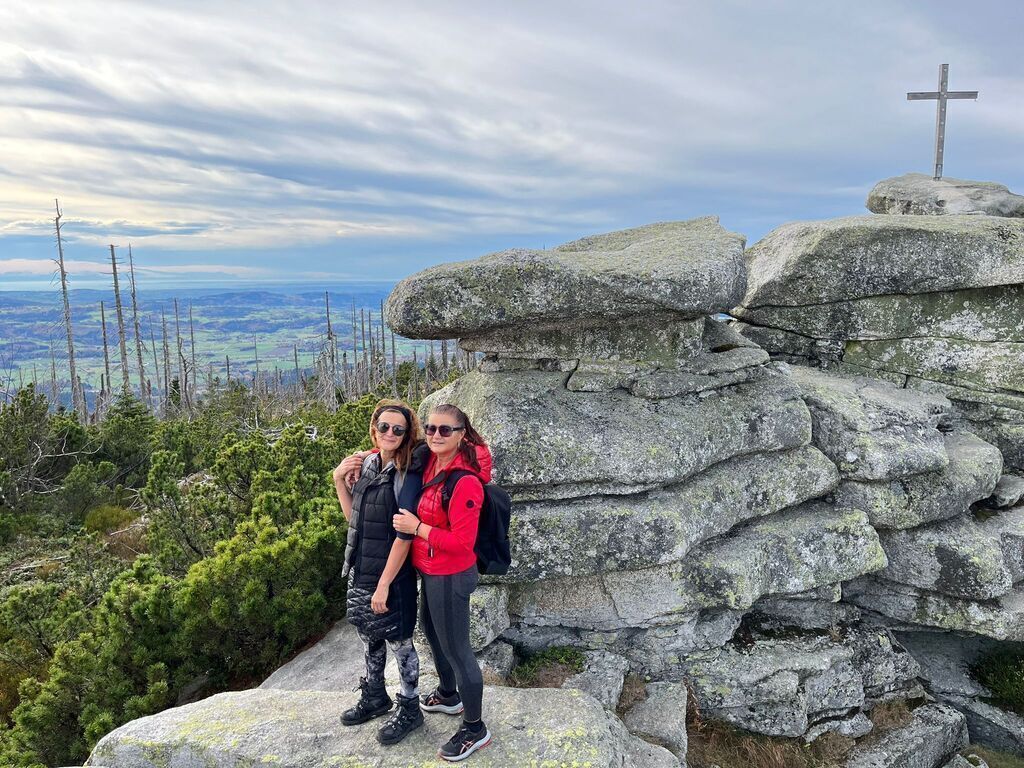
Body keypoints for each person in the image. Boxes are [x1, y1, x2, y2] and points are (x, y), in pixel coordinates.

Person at [392, 403, 493, 761]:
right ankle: (449, 695)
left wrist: (417, 528)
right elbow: (392, 447)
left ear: (461, 434)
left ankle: (475, 728)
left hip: (451, 574)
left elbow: (463, 543)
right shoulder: (432, 460)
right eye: (431, 428)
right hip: (431, 570)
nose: (435, 435)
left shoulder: (465, 482)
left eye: (445, 430)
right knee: (431, 633)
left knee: (457, 650)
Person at [332, 399, 428, 746]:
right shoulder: (369, 463)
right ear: (374, 429)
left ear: (407, 434)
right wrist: (339, 480)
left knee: (400, 641)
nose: (389, 433)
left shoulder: (408, 473)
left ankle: (409, 706)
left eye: (398, 429)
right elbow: (354, 520)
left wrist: (384, 585)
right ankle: (375, 696)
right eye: (383, 426)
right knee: (368, 635)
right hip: (362, 567)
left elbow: (405, 535)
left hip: (393, 574)